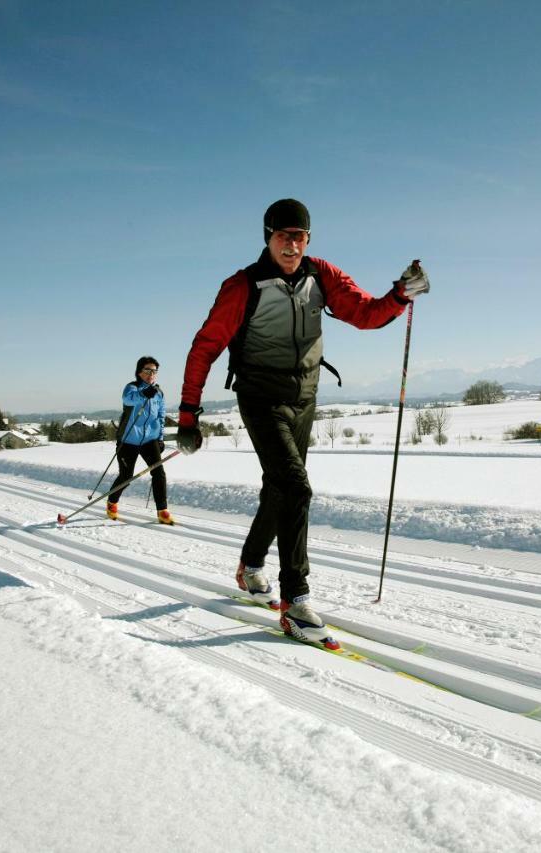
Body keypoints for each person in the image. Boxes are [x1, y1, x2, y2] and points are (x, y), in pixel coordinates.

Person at [175, 199, 430, 649]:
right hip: (261, 397)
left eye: (299, 236)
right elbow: (205, 348)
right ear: (267, 237)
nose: (291, 245)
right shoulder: (243, 285)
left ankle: (251, 565)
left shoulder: (322, 274)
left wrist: (399, 296)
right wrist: (189, 414)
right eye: (282, 236)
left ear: (308, 239)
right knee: (296, 487)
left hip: (304, 397)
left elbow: (364, 313)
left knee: (280, 488)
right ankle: (295, 600)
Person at [107, 356, 174, 525]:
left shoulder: (159, 393)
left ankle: (162, 510)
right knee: (126, 475)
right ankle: (112, 502)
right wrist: (144, 393)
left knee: (159, 473)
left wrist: (159, 438)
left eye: (155, 371)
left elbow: (160, 416)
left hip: (150, 440)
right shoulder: (132, 388)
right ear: (139, 372)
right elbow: (128, 400)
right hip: (128, 440)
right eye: (148, 370)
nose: (152, 374)